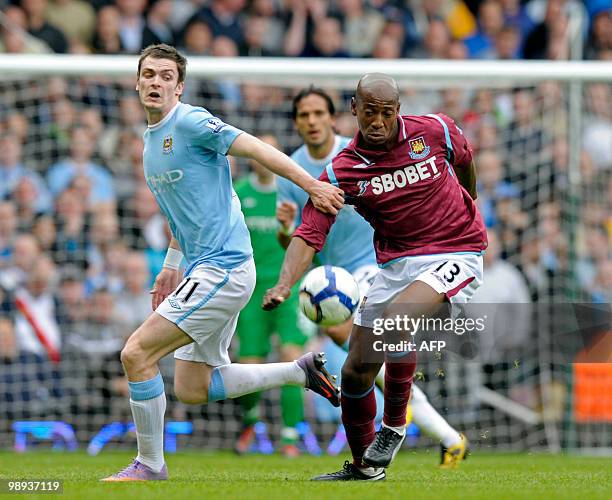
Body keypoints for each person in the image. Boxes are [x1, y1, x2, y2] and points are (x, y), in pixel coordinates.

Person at [102, 44, 343, 482]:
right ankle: (298, 371)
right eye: (149, 74)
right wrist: (171, 264)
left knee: (136, 353)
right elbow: (184, 213)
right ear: (137, 82)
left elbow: (256, 150)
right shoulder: (150, 142)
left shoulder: (191, 121)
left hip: (224, 268)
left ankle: (150, 465)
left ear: (180, 88)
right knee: (192, 388)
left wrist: (312, 185)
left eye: (165, 77)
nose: (156, 82)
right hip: (204, 269)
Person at [264, 73, 487, 481]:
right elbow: (310, 232)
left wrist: (469, 203)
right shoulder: (342, 171)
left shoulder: (435, 130)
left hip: (457, 251)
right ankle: (365, 468)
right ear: (354, 109)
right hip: (395, 264)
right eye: (370, 112)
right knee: (355, 371)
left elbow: (465, 162)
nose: (379, 121)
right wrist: (283, 283)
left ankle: (394, 428)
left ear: (397, 110)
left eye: (387, 113)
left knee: (395, 321)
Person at [233, 134, 311, 457]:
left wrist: (286, 228)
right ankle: (251, 419)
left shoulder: (290, 193)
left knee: (292, 357)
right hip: (250, 291)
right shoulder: (238, 194)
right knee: (248, 363)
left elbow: (304, 241)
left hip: (288, 288)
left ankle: (291, 437)